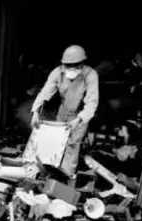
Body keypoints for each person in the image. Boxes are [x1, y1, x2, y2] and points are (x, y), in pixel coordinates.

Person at [31, 45, 99, 177]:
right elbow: (45, 93)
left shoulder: (91, 75)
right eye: (68, 64)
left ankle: (66, 177)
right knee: (57, 142)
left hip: (79, 114)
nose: (71, 68)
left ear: (82, 63)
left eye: (75, 64)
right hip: (63, 112)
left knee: (72, 145)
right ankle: (50, 172)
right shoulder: (58, 72)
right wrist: (35, 112)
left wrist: (79, 120)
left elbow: (92, 103)